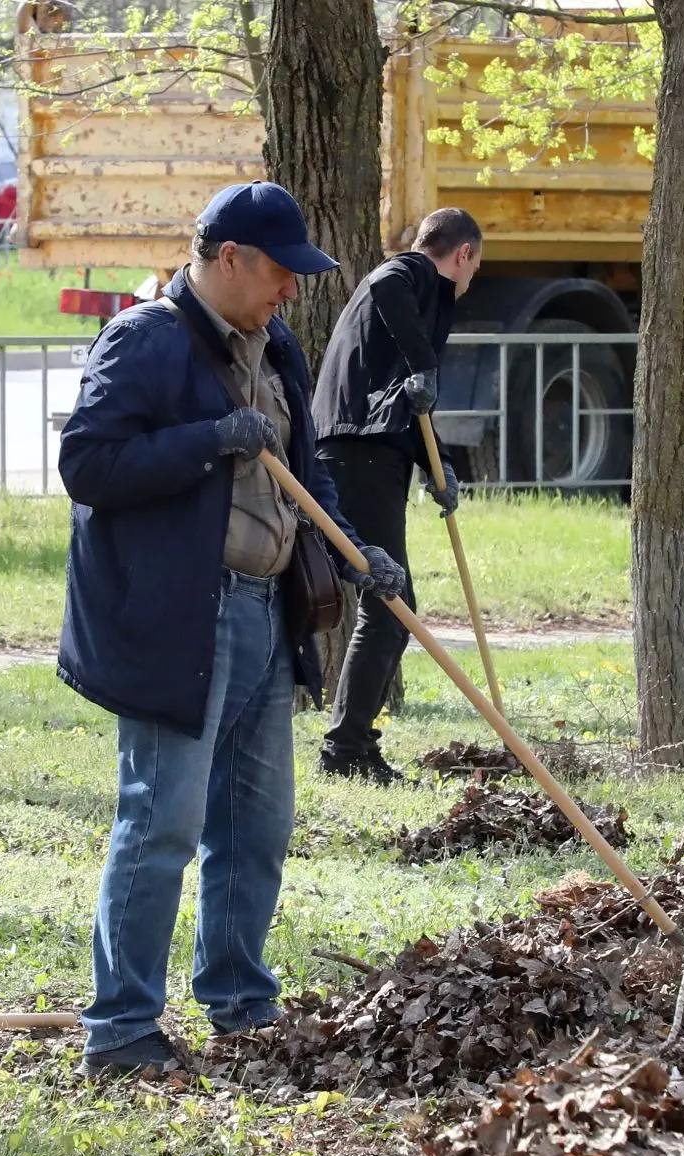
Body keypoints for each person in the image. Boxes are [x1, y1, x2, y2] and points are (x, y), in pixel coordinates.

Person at [58, 181, 406, 1078]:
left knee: (256, 826)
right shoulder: (145, 339)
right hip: (181, 618)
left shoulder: (276, 345)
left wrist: (355, 551)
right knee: (161, 821)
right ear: (228, 259)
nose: (291, 288)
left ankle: (243, 1006)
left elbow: (305, 473)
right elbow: (88, 463)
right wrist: (209, 438)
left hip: (263, 610)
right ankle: (121, 1027)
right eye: (280, 272)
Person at [310, 208, 486, 783]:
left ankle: (352, 744)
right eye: (474, 266)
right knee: (390, 608)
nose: (471, 277)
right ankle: (345, 750)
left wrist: (440, 467)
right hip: (356, 453)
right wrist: (426, 364)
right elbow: (385, 283)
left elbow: (405, 407)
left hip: (372, 450)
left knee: (392, 607)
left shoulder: (421, 300)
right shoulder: (407, 275)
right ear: (462, 253)